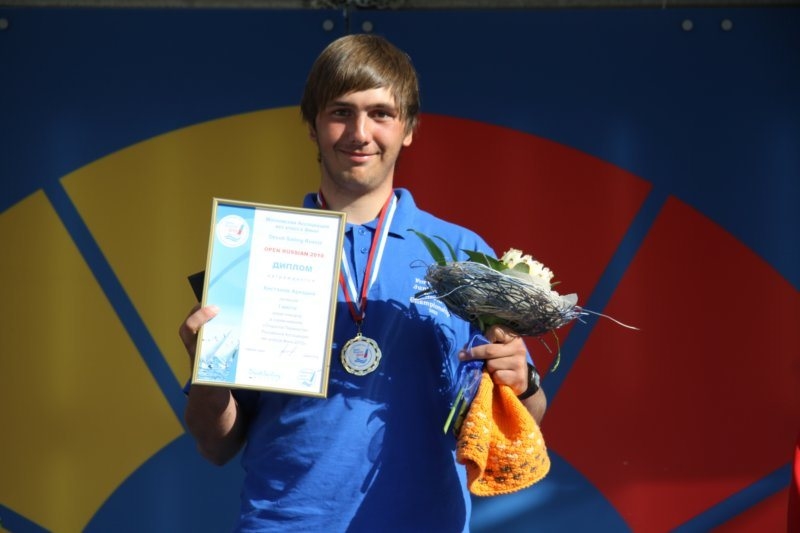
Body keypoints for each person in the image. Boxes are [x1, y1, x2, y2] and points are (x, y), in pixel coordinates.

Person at [179, 33, 547, 532]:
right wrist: (209, 371)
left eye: (380, 114)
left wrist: (523, 383)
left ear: (408, 128)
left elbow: (525, 415)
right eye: (340, 112)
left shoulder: (463, 254)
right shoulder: (260, 251)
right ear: (311, 126)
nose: (359, 132)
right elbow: (215, 444)